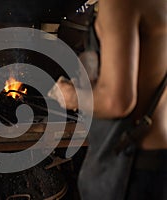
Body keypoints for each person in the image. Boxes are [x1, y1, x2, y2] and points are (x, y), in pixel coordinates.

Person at [49, 0, 167, 199]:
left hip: (131, 166)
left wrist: (70, 96)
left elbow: (118, 102)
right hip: (157, 156)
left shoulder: (118, 3)